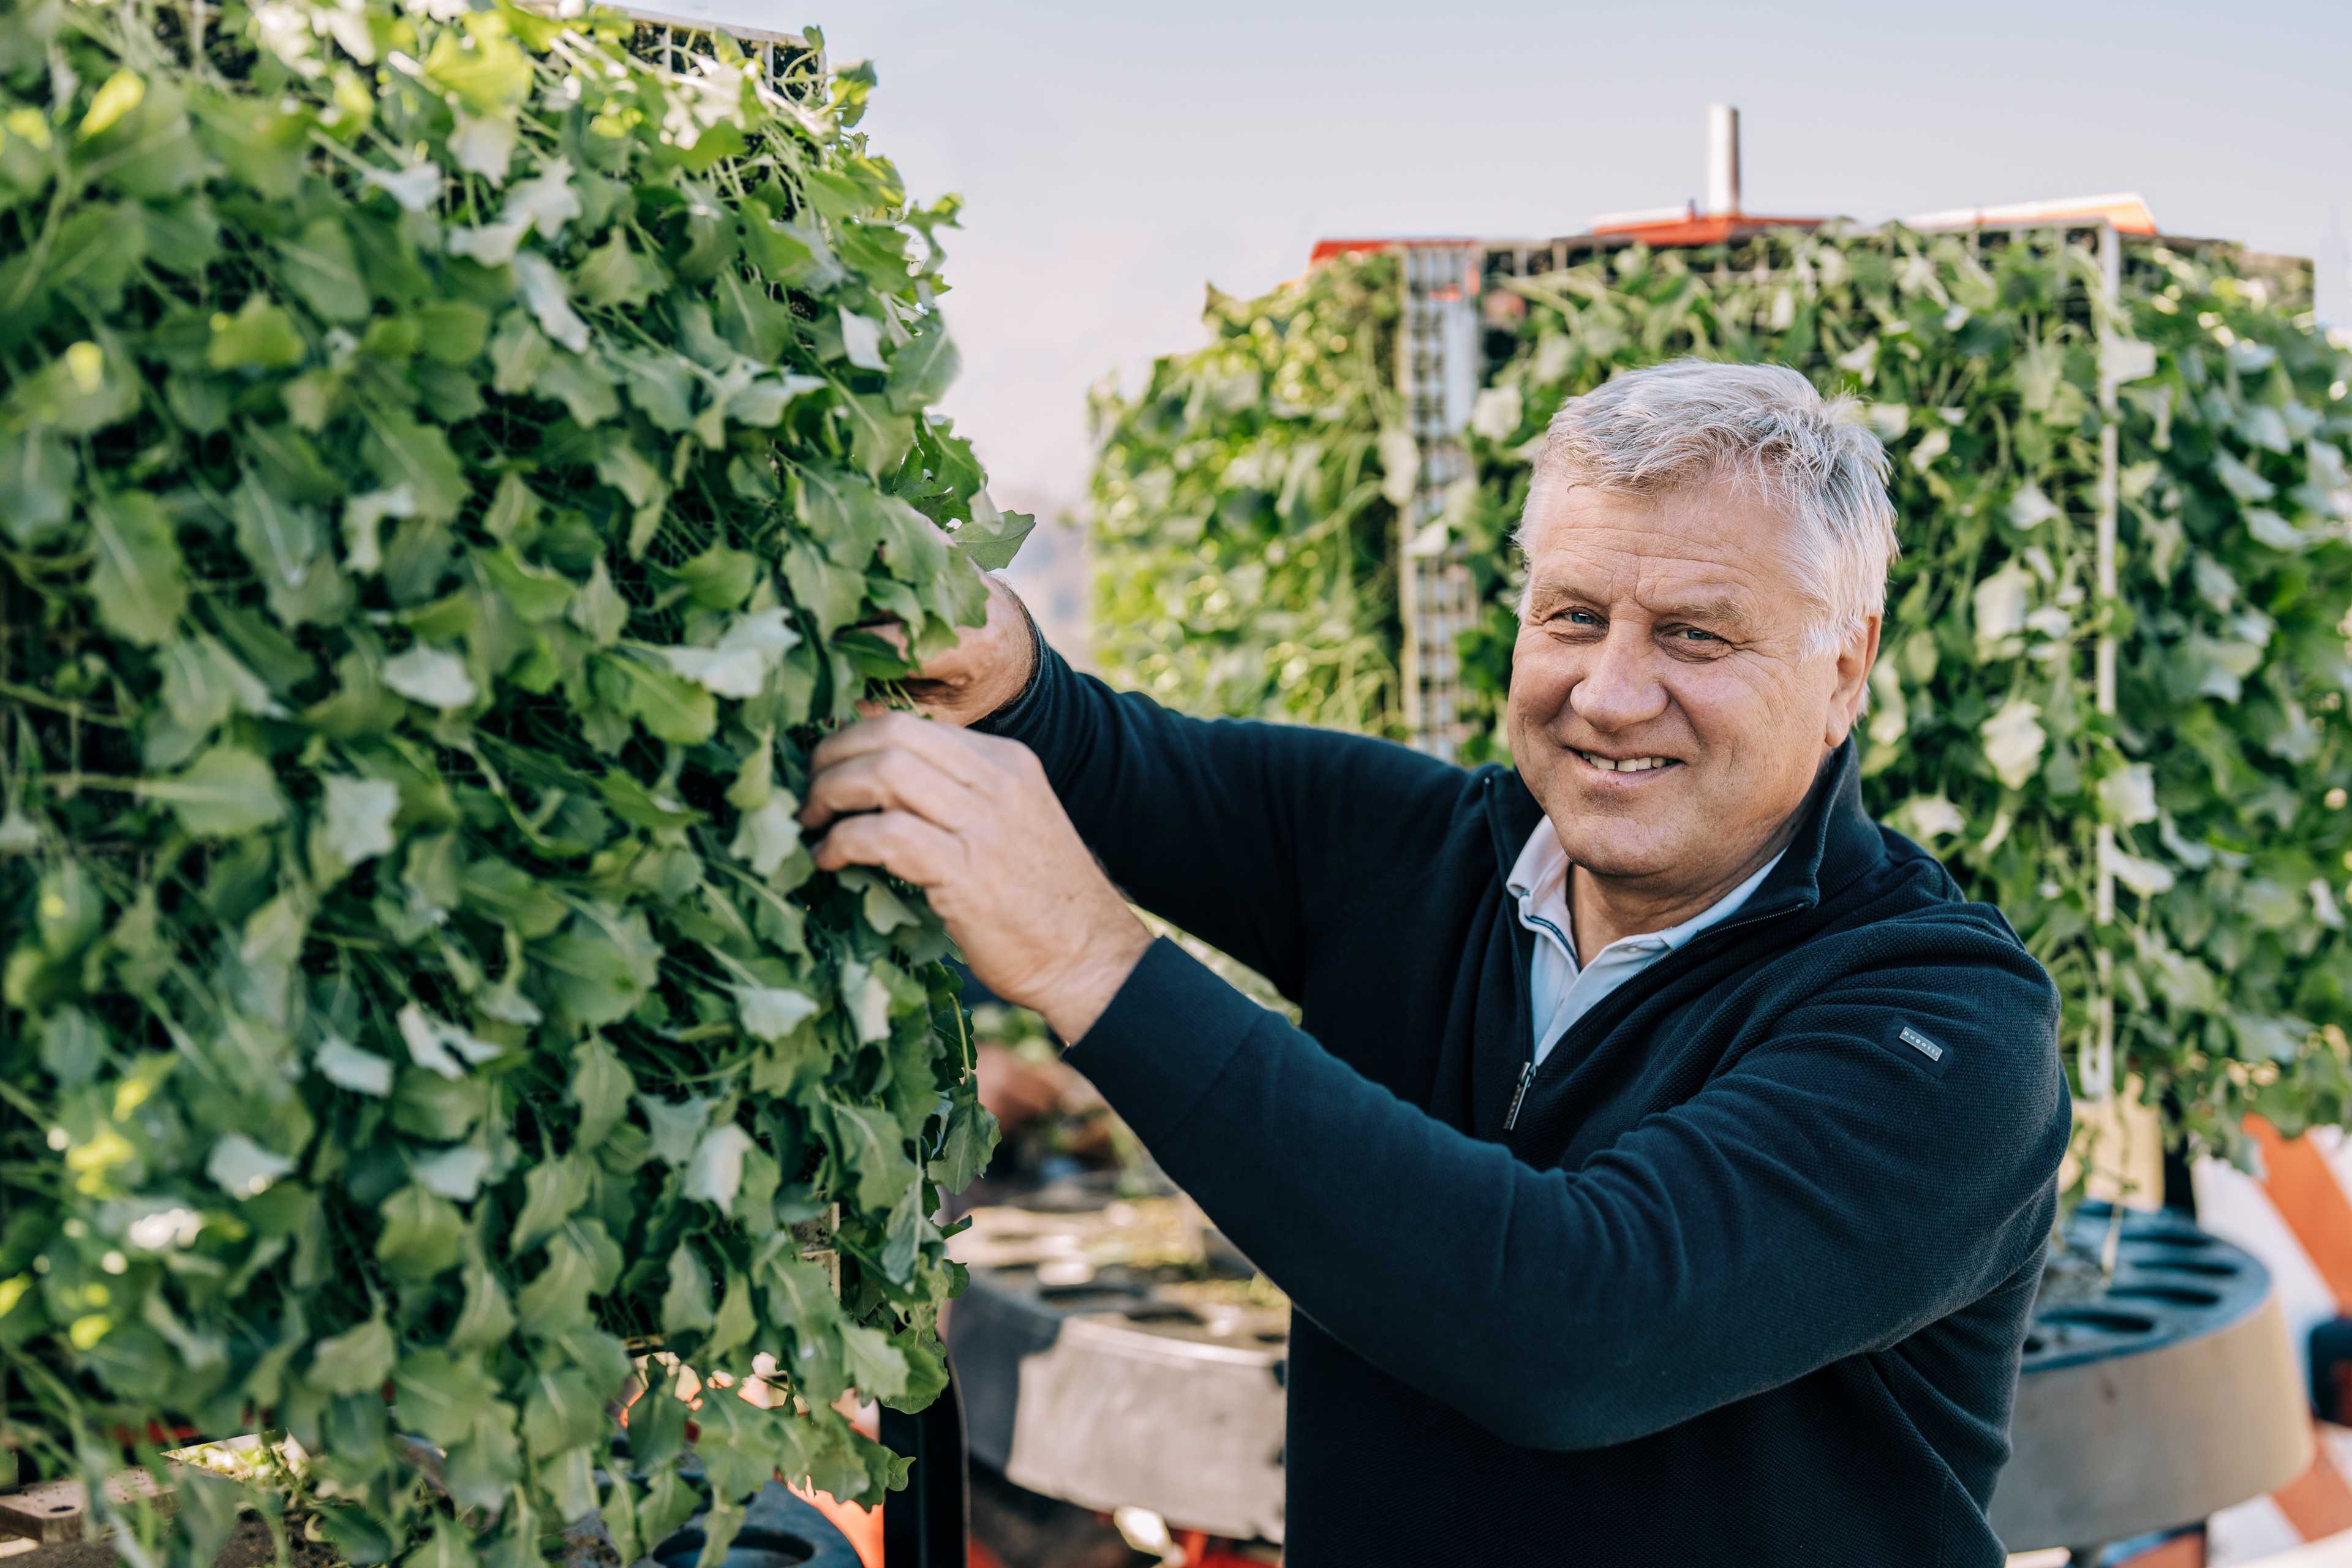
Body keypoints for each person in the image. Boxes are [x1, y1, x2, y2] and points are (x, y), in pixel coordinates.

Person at [798, 360, 2071, 1566]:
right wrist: (1008, 668)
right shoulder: (1427, 852)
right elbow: (1123, 762)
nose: (1612, 693)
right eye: (1574, 616)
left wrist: (1089, 960)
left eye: (1695, 635)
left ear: (1843, 667)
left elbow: (1574, 1325)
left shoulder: (1943, 1024)